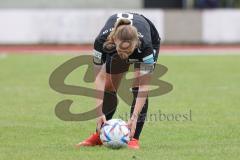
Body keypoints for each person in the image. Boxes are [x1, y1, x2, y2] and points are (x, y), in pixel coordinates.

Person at [76, 12, 161, 149]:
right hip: (116, 46)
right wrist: (99, 112)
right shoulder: (102, 42)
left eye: (128, 52)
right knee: (109, 87)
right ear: (114, 41)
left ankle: (134, 138)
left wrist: (133, 117)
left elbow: (144, 87)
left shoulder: (145, 46)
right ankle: (99, 135)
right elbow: (99, 78)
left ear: (135, 44)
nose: (124, 55)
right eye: (121, 50)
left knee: (138, 87)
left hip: (149, 38)